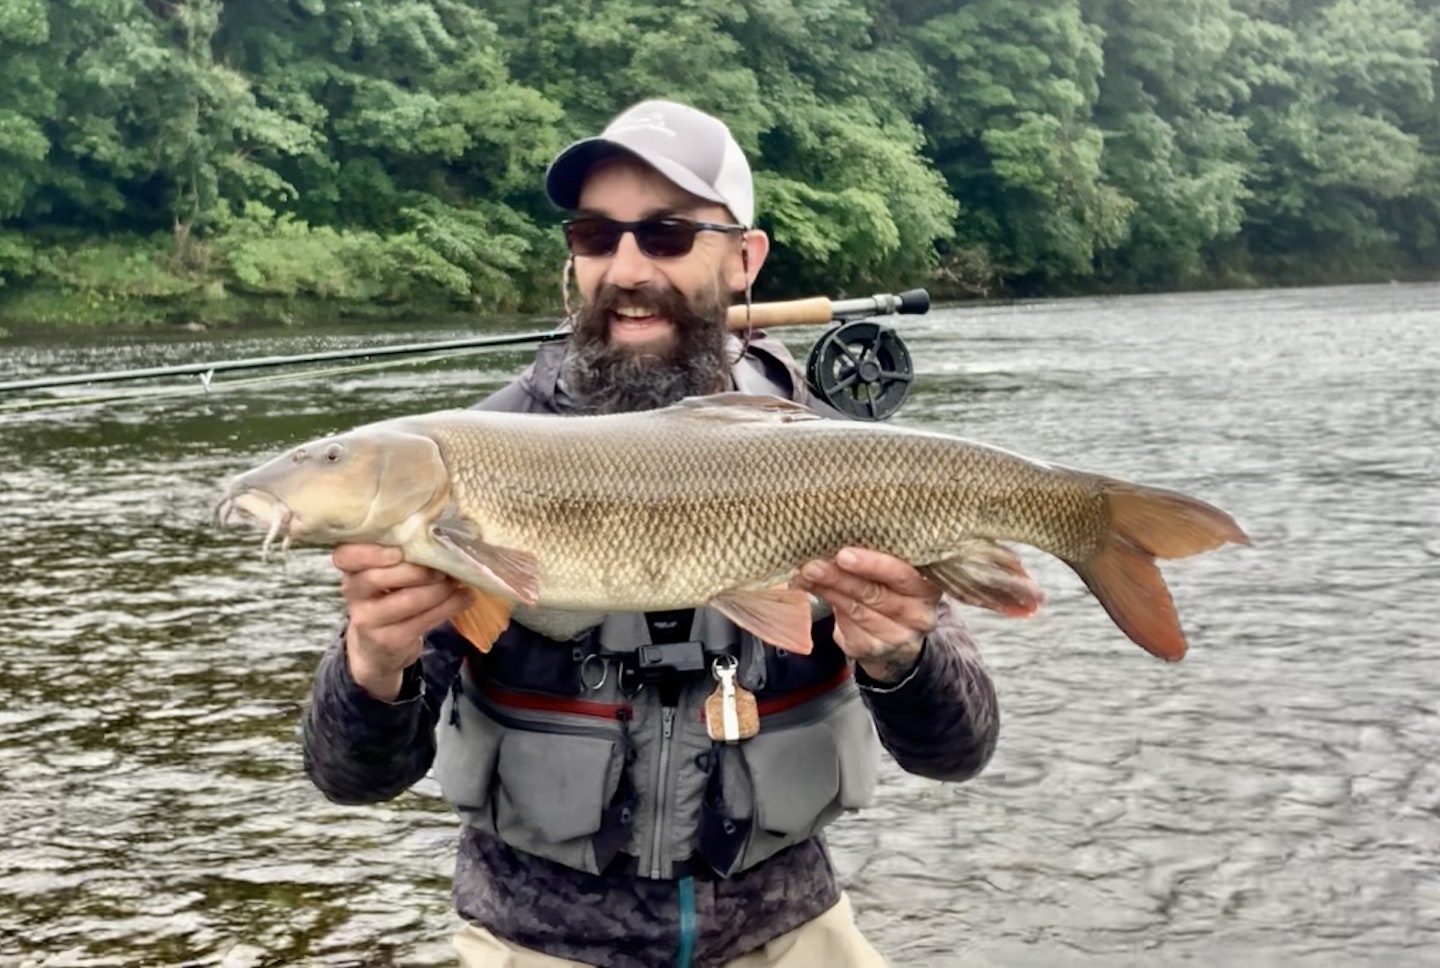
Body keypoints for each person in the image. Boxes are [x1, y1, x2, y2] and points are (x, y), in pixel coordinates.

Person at [302, 99, 999, 968]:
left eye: (666, 235)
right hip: (535, 941)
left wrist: (901, 656)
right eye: (597, 236)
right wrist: (374, 661)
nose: (626, 267)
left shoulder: (826, 454)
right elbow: (351, 778)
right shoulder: (463, 463)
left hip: (784, 931)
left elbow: (959, 751)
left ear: (744, 260)